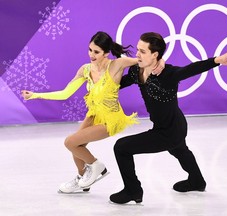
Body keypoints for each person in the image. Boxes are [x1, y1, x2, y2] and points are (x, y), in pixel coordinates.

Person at [21, 31, 164, 194]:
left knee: (70, 142)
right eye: (90, 50)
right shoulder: (85, 69)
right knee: (76, 145)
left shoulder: (117, 65)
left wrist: (161, 61)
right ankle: (83, 179)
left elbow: (143, 60)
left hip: (111, 120)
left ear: (106, 52)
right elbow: (65, 93)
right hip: (94, 115)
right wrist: (36, 95)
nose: (92, 55)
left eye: (96, 52)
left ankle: (97, 167)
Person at [109, 32, 227, 204]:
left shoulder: (168, 74)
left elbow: (190, 69)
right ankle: (197, 181)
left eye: (142, 51)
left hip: (169, 131)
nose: (137, 54)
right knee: (179, 149)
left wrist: (216, 60)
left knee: (121, 147)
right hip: (172, 125)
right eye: (138, 50)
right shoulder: (136, 71)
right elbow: (117, 84)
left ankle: (133, 191)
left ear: (155, 55)